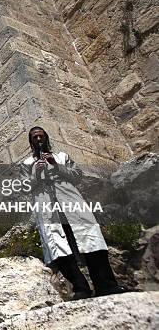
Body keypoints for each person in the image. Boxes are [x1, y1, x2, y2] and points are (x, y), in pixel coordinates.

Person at [20, 126, 127, 299]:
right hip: (49, 210)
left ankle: (105, 285)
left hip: (72, 204)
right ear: (31, 142)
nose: (38, 139)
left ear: (46, 138)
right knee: (59, 248)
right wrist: (35, 174)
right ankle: (80, 288)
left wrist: (56, 166)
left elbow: (77, 175)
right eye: (34, 137)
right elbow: (23, 187)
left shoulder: (61, 157)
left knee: (91, 240)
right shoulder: (26, 164)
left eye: (41, 136)